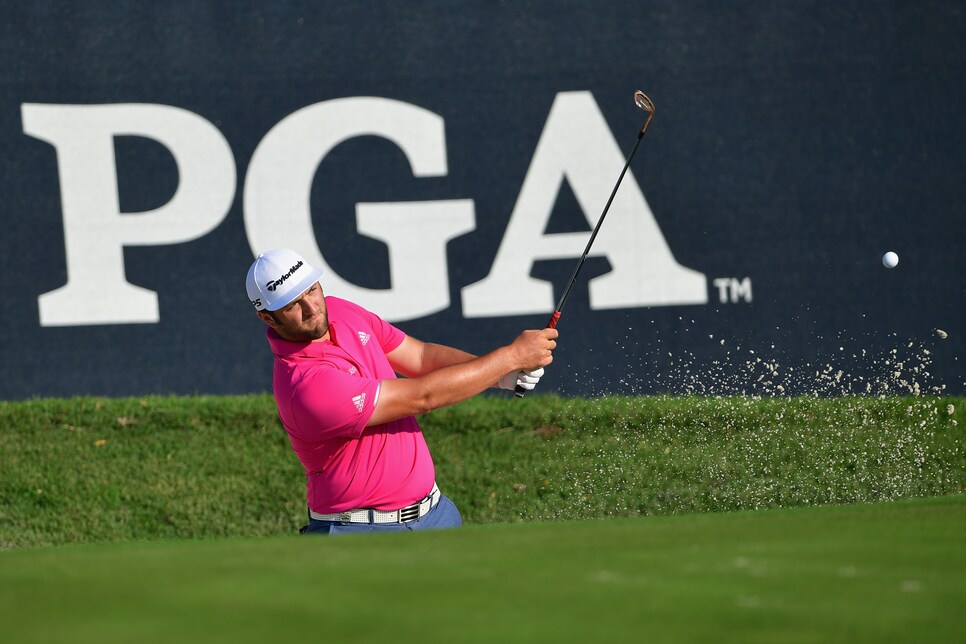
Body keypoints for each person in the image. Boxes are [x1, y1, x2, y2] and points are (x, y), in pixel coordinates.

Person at [246, 248, 558, 535]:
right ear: (267, 317)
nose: (311, 308)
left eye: (312, 290)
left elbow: (421, 357)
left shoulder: (340, 311)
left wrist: (500, 375)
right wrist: (511, 357)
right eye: (291, 306)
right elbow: (422, 397)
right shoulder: (306, 385)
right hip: (360, 534)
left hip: (436, 514)